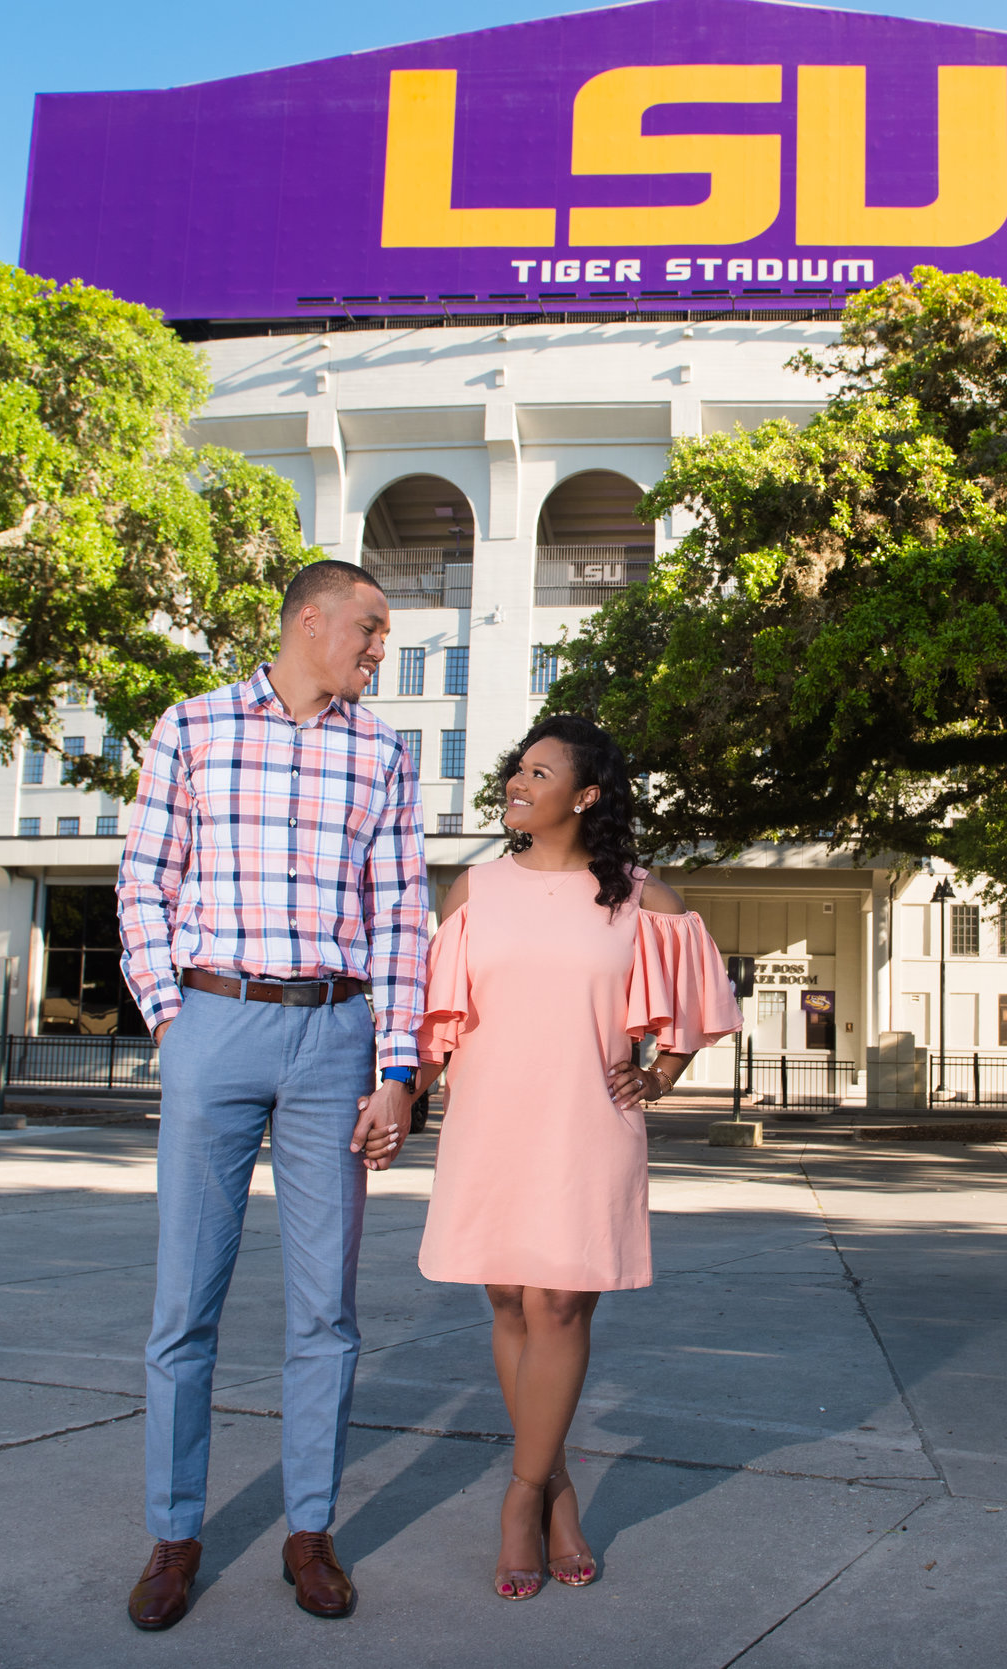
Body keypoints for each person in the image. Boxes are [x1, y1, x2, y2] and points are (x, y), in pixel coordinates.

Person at [114, 559, 427, 1632]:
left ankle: (308, 1528)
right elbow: (144, 881)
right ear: (310, 620)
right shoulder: (193, 726)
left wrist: (397, 1067)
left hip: (336, 1034)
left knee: (325, 1310)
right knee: (184, 1304)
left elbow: (400, 919)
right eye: (372, 628)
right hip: (218, 1019)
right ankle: (173, 1533)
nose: (382, 648)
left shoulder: (383, 751)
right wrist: (172, 1016)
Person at [412, 714, 742, 1600]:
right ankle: (558, 1487)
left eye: (539, 772)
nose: (517, 784)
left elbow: (702, 990)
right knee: (511, 1301)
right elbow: (439, 1018)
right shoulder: (474, 888)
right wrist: (398, 1092)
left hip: (588, 1120)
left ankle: (520, 1496)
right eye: (516, 769)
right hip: (490, 1118)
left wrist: (664, 1071)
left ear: (585, 795)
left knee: (561, 1301)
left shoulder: (638, 894)